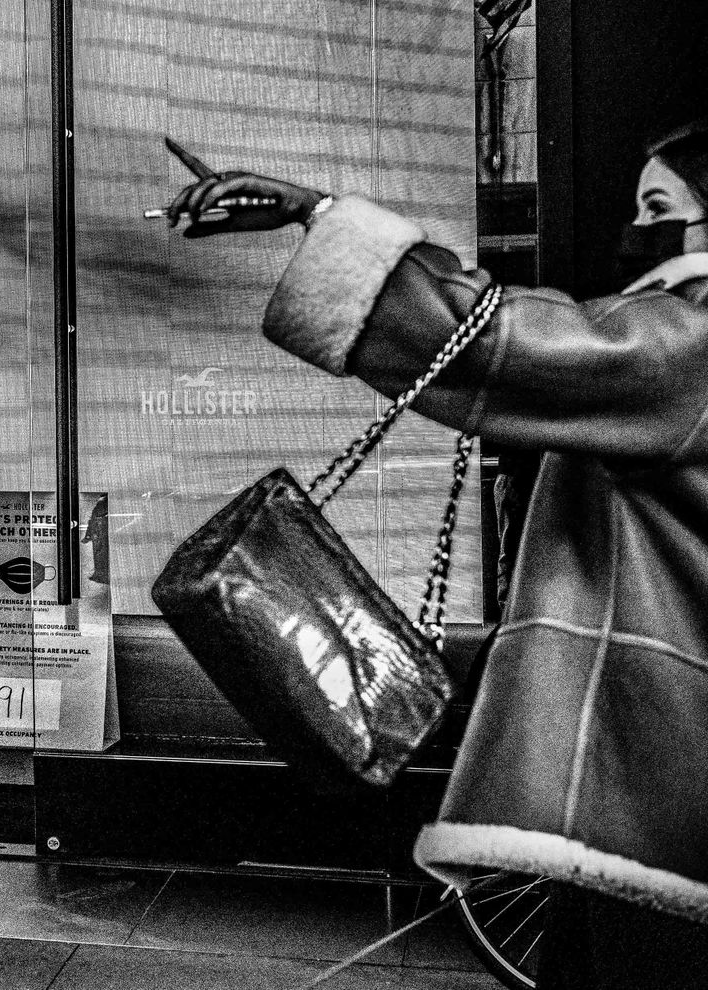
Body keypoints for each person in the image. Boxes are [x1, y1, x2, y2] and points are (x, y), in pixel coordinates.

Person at [162, 120, 708, 986]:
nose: (636, 229)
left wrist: (322, 215)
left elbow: (489, 343)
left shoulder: (695, 338)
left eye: (658, 207)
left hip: (664, 761)